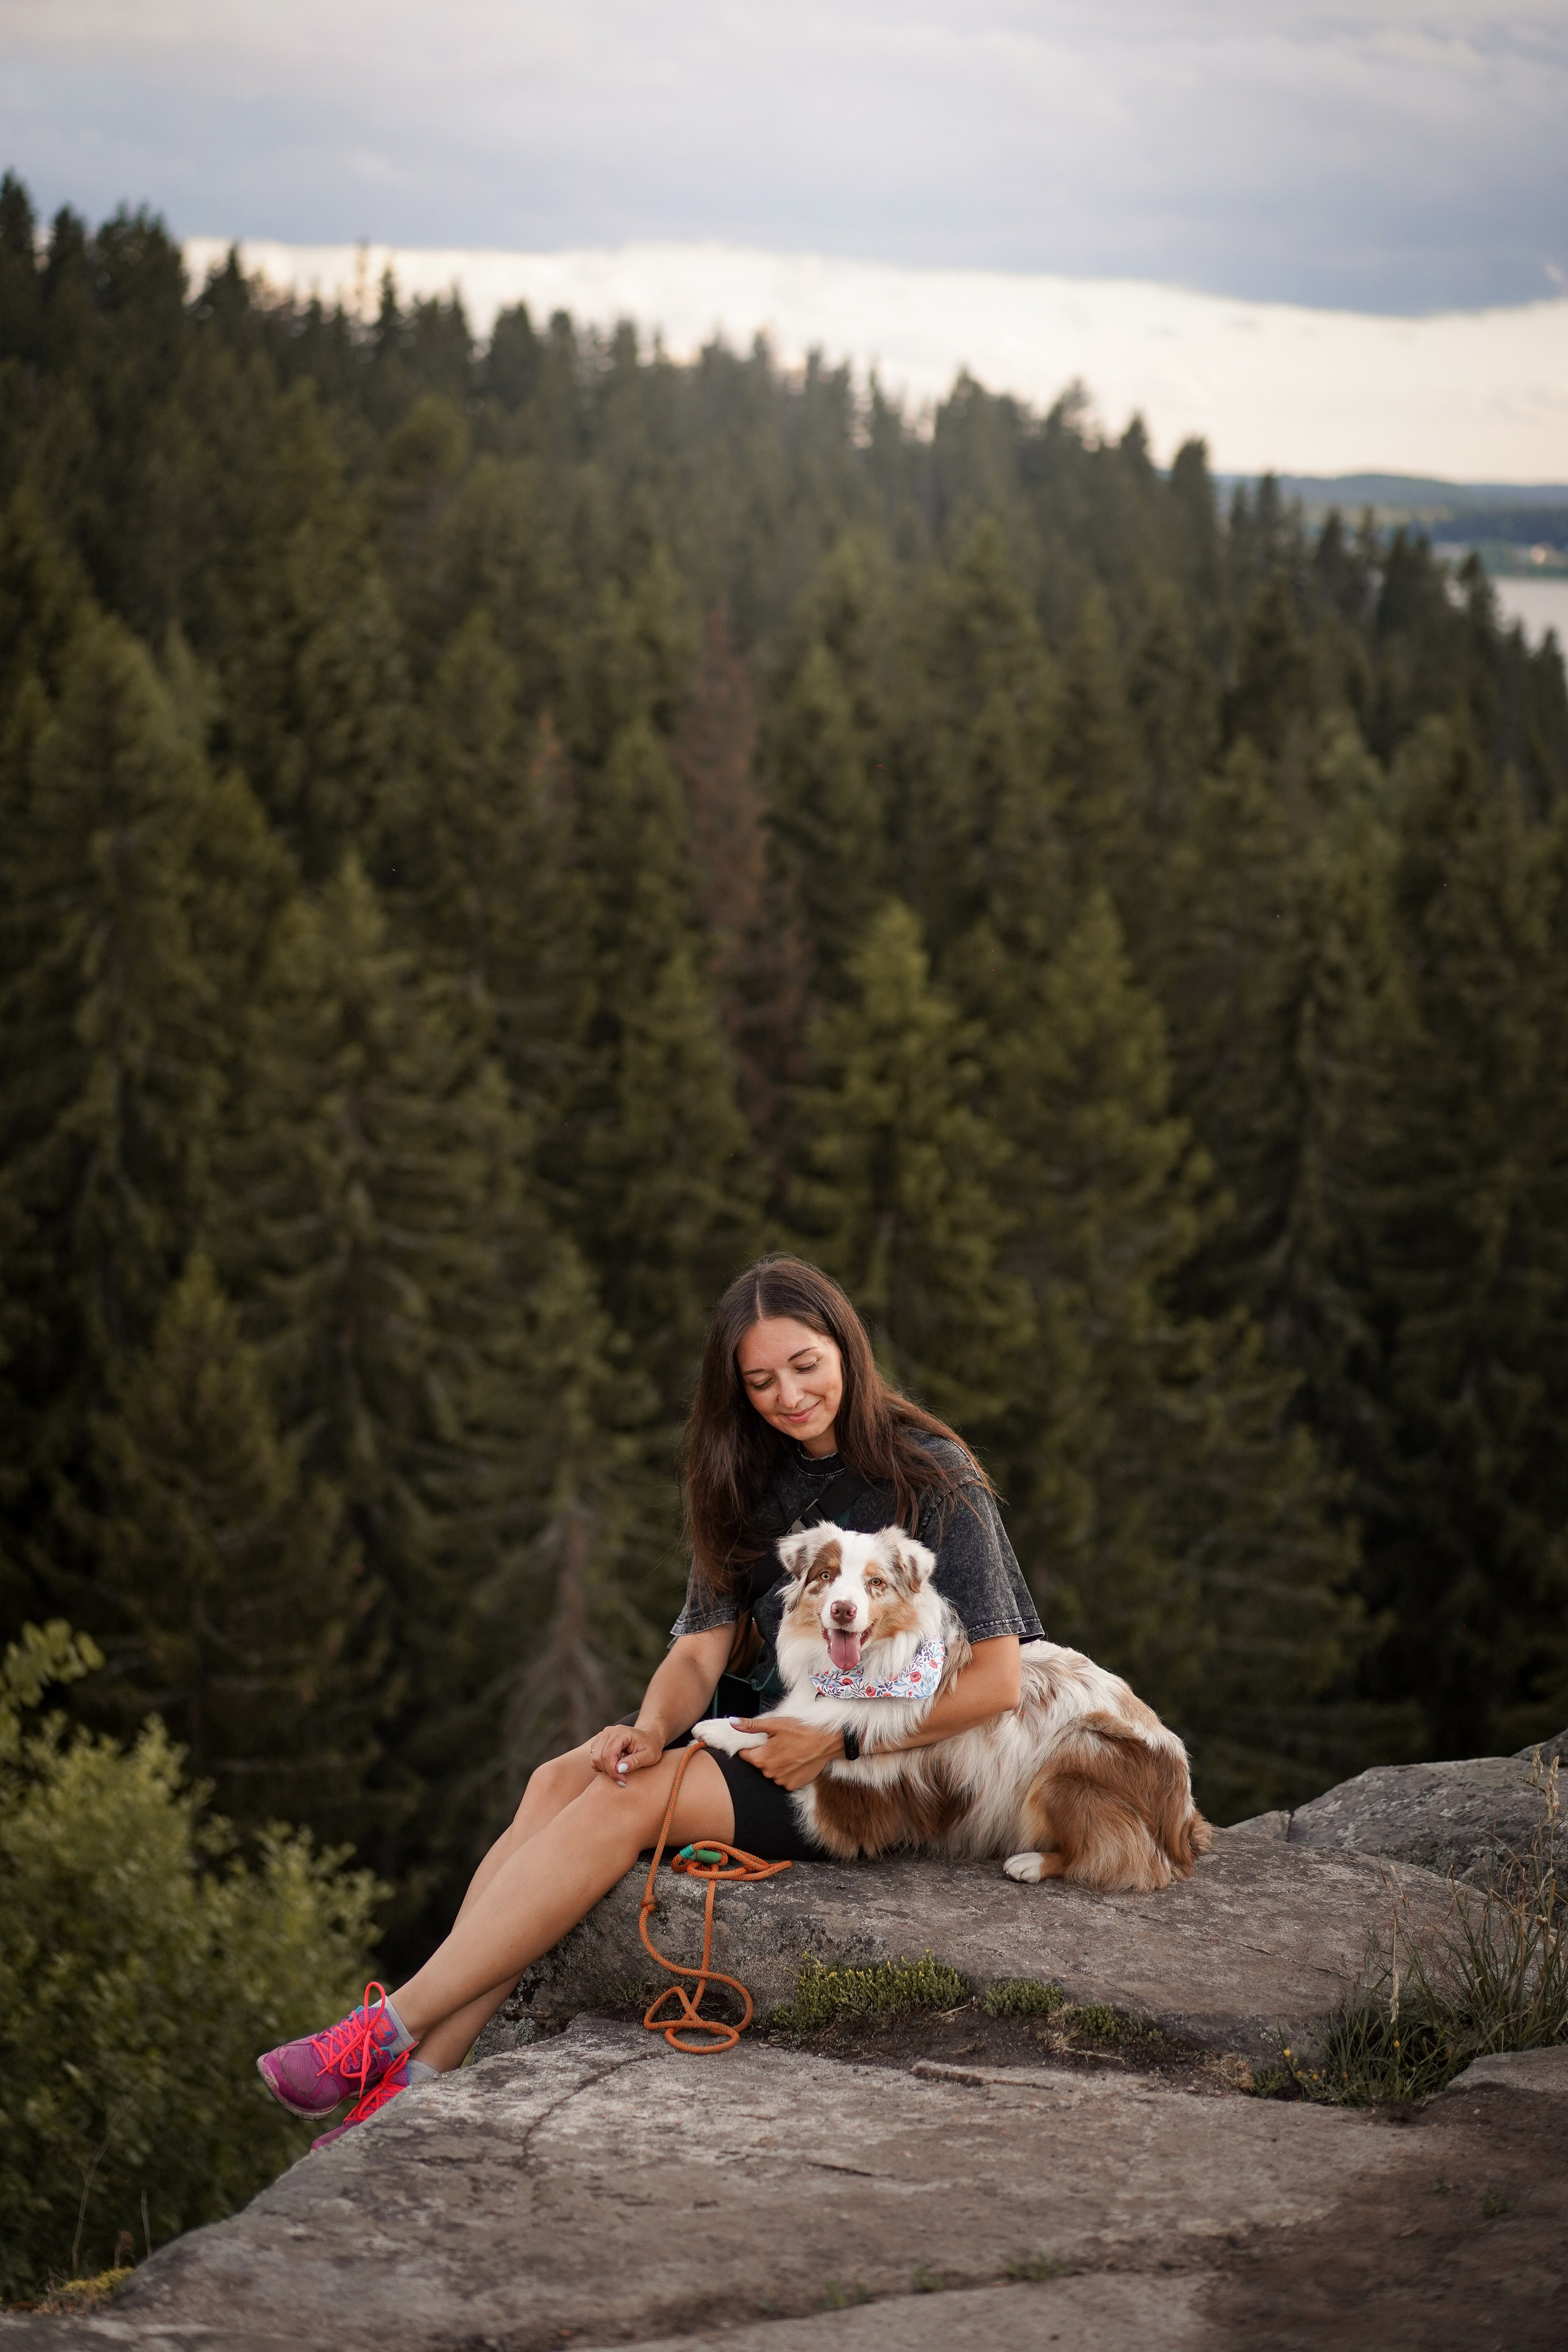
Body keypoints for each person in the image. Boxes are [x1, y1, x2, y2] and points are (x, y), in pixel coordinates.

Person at [255, 1254, 1044, 2143]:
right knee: (564, 1781)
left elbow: (999, 1684)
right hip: (781, 1730)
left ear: (846, 1351)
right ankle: (417, 2081)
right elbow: (701, 1644)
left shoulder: (932, 1474)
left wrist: (841, 1747)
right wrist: (651, 1726)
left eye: (805, 1365)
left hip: (892, 1762)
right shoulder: (746, 1478)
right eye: (760, 1381)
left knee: (626, 1806)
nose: (788, 1395)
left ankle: (383, 2032)